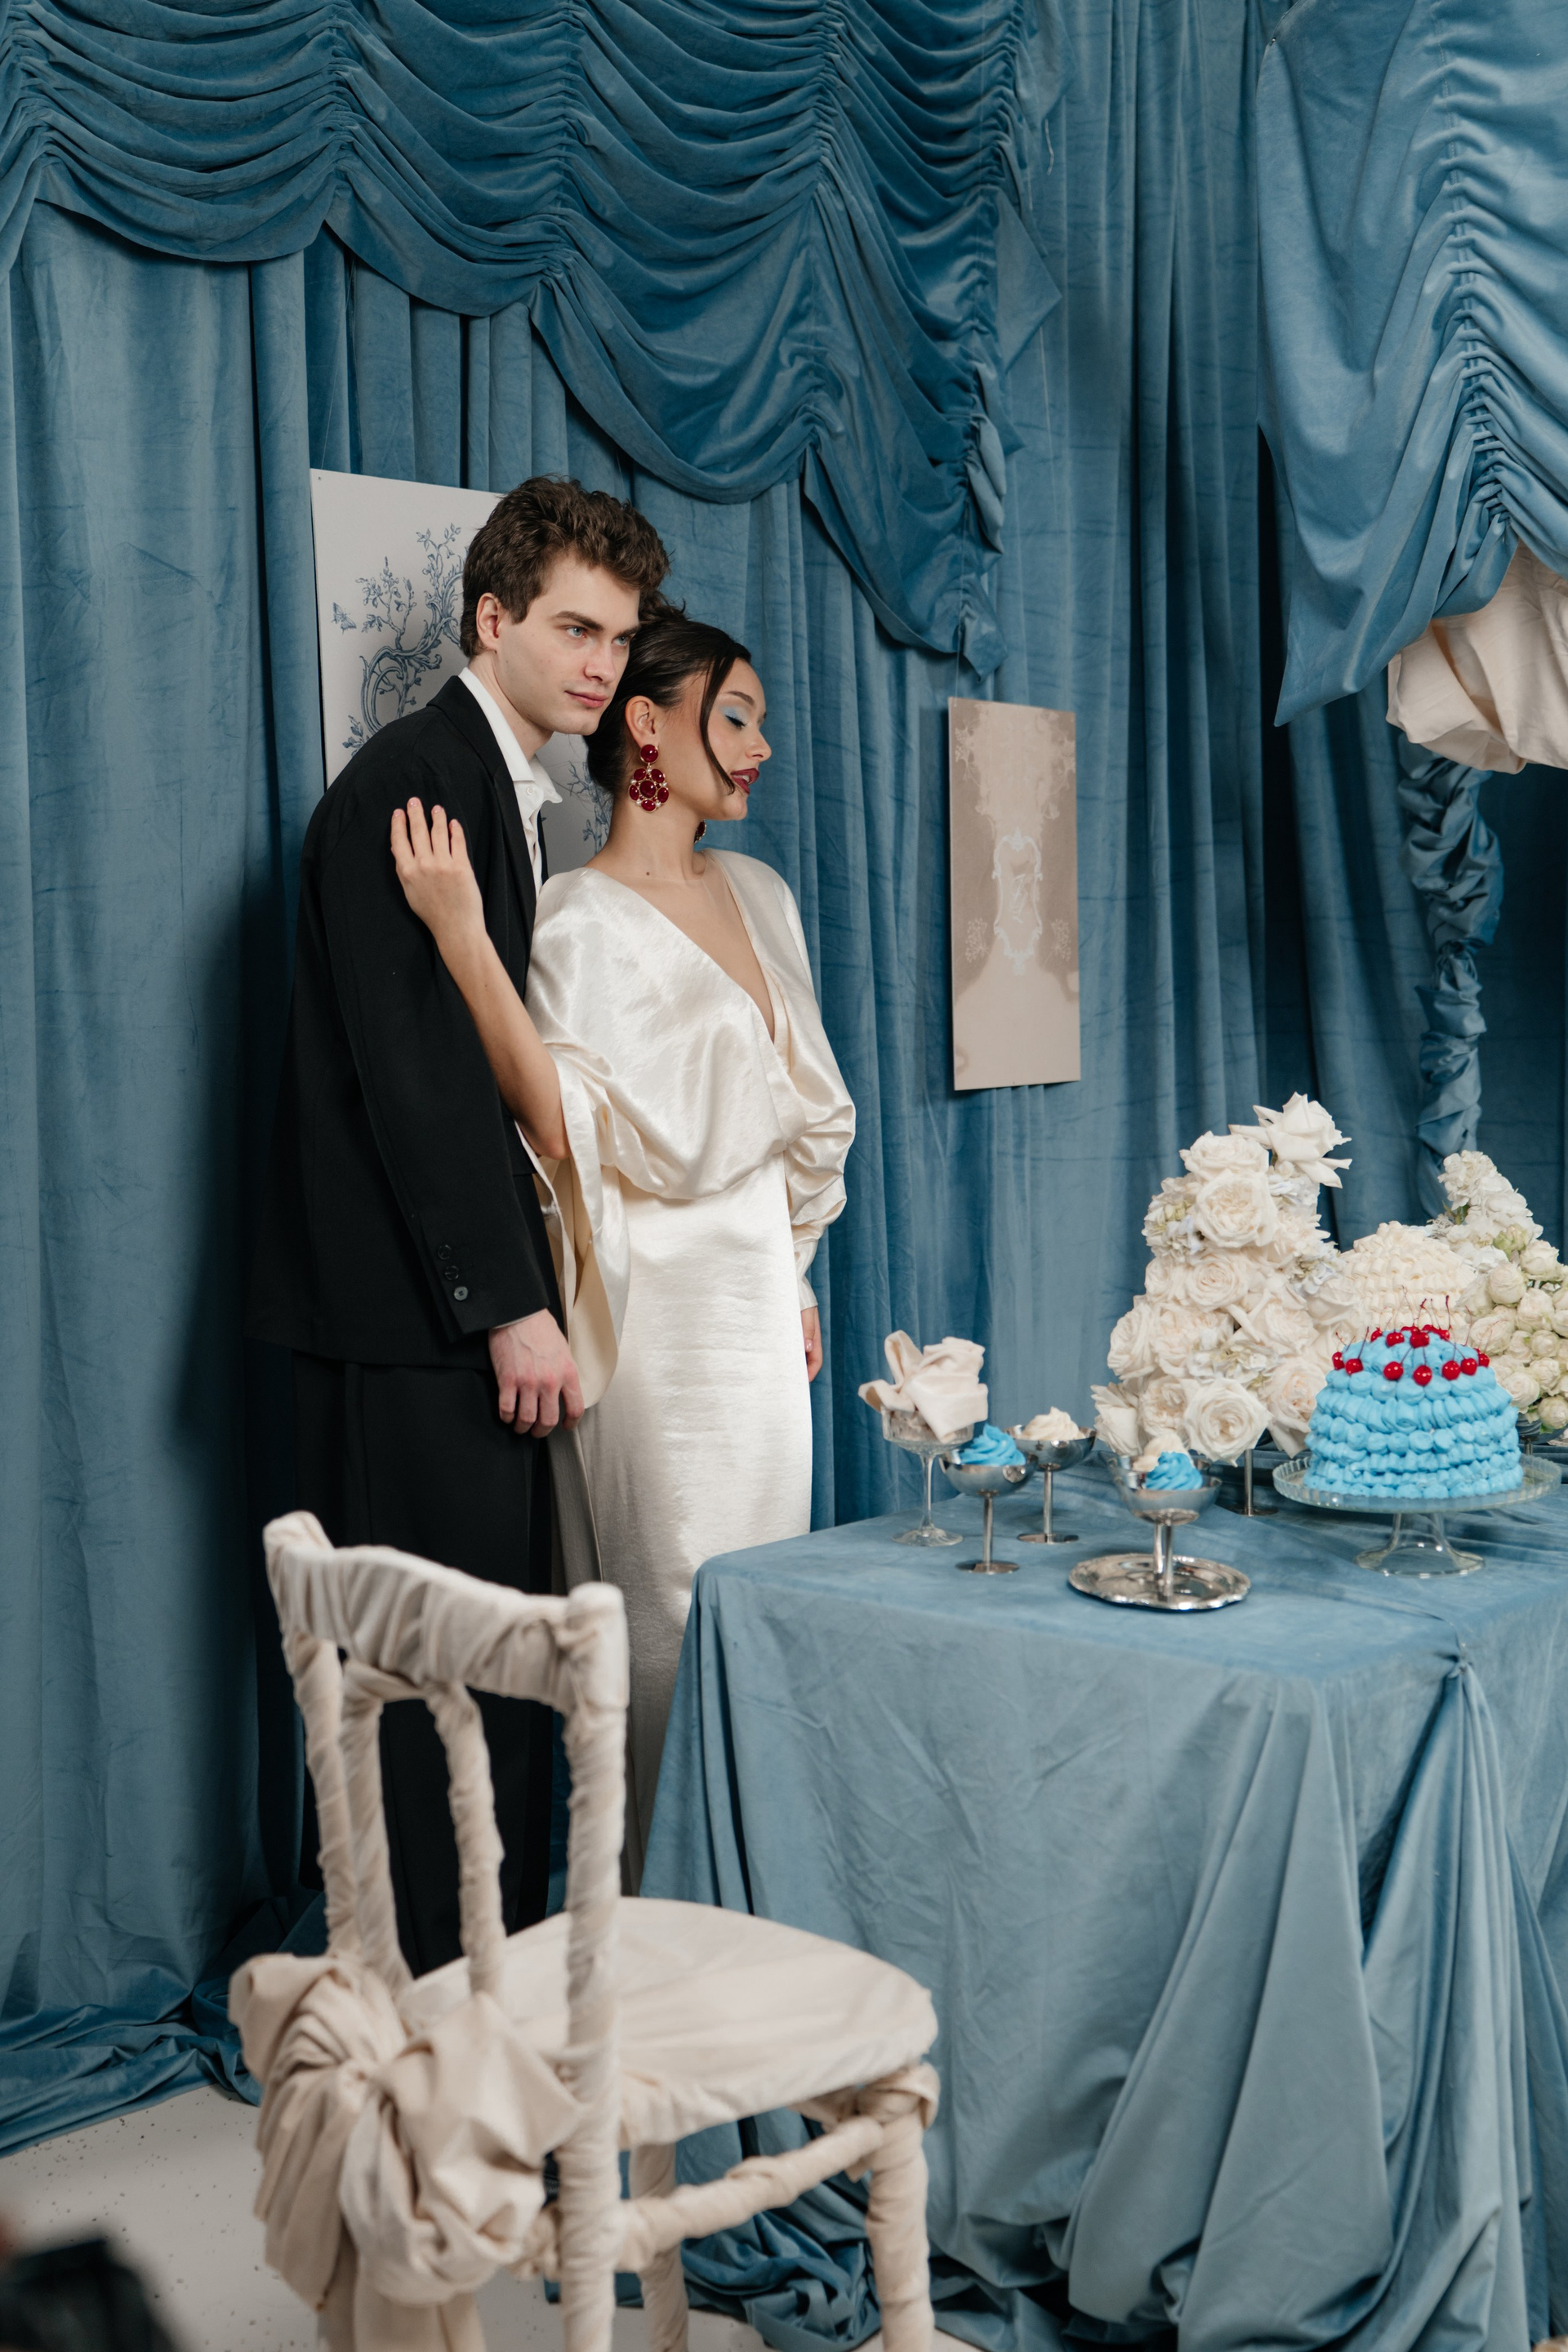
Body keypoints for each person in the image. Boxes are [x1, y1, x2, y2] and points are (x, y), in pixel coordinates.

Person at [249, 477, 670, 1971]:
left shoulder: (487, 782)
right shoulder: (414, 783)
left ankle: (489, 1978)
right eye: (573, 628)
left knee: (479, 1666)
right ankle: (442, 2002)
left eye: (618, 638)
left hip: (431, 1310)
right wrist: (510, 1305)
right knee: (433, 1677)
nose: (602, 664)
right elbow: (418, 1078)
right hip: (405, 1320)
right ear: (492, 620)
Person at [390, 612, 855, 1880]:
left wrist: (795, 1273)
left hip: (762, 1307)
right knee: (673, 1617)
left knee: (757, 1602)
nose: (760, 747)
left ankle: (747, 1901)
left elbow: (800, 1122)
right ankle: (660, 1915)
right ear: (647, 725)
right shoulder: (577, 919)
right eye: (736, 716)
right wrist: (464, 938)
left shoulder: (764, 895)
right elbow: (557, 1125)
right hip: (656, 1315)